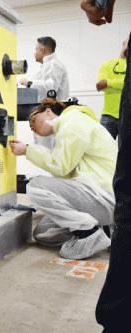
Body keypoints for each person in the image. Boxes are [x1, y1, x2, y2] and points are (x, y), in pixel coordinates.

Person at [9, 98, 117, 260]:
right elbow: (65, 173)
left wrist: (28, 150)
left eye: (33, 120)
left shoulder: (72, 121)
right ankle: (104, 231)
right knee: (43, 233)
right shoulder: (69, 125)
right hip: (96, 196)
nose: (32, 127)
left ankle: (88, 233)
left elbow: (61, 166)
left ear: (48, 111)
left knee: (35, 187)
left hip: (103, 196)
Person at [84, 0, 131, 328]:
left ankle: (119, 320)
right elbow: (101, 85)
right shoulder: (108, 63)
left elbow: (107, 85)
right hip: (109, 114)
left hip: (119, 112)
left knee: (127, 191)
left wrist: (99, 3)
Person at [19, 37, 70, 149]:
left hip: (50, 115)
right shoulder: (47, 66)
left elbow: (50, 88)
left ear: (42, 50)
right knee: (43, 151)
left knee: (48, 152)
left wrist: (29, 83)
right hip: (45, 115)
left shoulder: (53, 65)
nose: (34, 53)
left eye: (36, 49)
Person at [97, 37, 128, 139]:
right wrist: (123, 84)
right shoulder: (106, 64)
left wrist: (108, 82)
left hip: (128, 116)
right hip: (108, 116)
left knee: (126, 153)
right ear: (124, 43)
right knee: (101, 150)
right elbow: (101, 87)